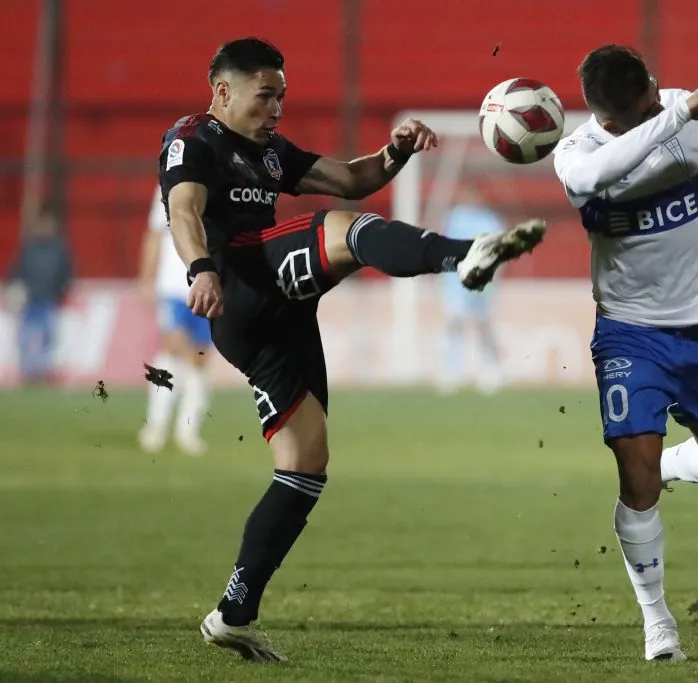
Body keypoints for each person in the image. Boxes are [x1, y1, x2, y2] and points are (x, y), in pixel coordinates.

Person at [160, 37, 545, 661]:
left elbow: (348, 178)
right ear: (223, 91)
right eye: (265, 96)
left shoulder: (269, 151)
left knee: (305, 464)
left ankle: (232, 612)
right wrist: (199, 267)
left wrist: (393, 153)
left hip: (275, 316)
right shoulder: (194, 140)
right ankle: (461, 256)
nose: (277, 108)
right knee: (341, 233)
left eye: (282, 95)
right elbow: (184, 208)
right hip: (239, 280)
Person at [552, 44, 698, 662]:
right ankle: (658, 623)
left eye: (659, 90)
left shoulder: (687, 112)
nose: (661, 97)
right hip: (630, 331)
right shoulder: (578, 153)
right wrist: (679, 114)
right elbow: (591, 181)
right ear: (610, 118)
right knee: (633, 473)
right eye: (647, 101)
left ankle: (661, 466)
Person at [138, 186, 212, 455]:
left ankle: (187, 431)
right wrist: (147, 276)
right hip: (172, 285)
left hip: (208, 286)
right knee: (171, 348)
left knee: (199, 358)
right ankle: (156, 426)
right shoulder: (169, 185)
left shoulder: (224, 184)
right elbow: (155, 234)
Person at [437, 186, 505, 395]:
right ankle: (451, 370)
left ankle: (491, 371)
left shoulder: (488, 220)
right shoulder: (453, 218)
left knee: (482, 325)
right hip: (455, 283)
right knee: (454, 324)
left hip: (481, 282)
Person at [6, 204, 73, 385]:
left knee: (48, 337)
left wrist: (60, 292)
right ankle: (27, 370)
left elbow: (66, 273)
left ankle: (44, 371)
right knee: (26, 337)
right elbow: (16, 270)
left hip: (49, 300)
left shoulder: (59, 248)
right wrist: (13, 286)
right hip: (30, 300)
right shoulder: (29, 247)